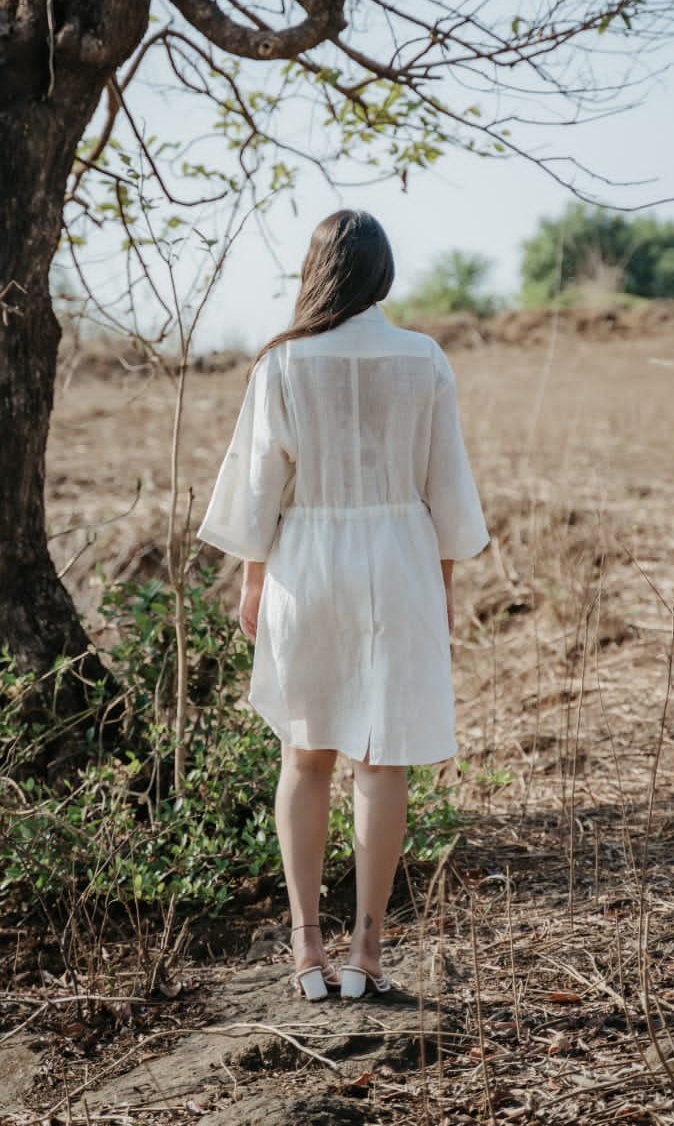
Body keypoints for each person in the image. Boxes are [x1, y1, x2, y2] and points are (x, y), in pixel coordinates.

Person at [197, 210, 488, 1000]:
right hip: (399, 560)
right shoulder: (423, 358)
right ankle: (368, 949)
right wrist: (446, 587)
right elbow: (446, 485)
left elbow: (261, 485)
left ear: (316, 270)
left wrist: (253, 578)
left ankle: (304, 948)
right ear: (382, 273)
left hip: (307, 560)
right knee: (380, 755)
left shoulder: (282, 362)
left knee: (304, 753)